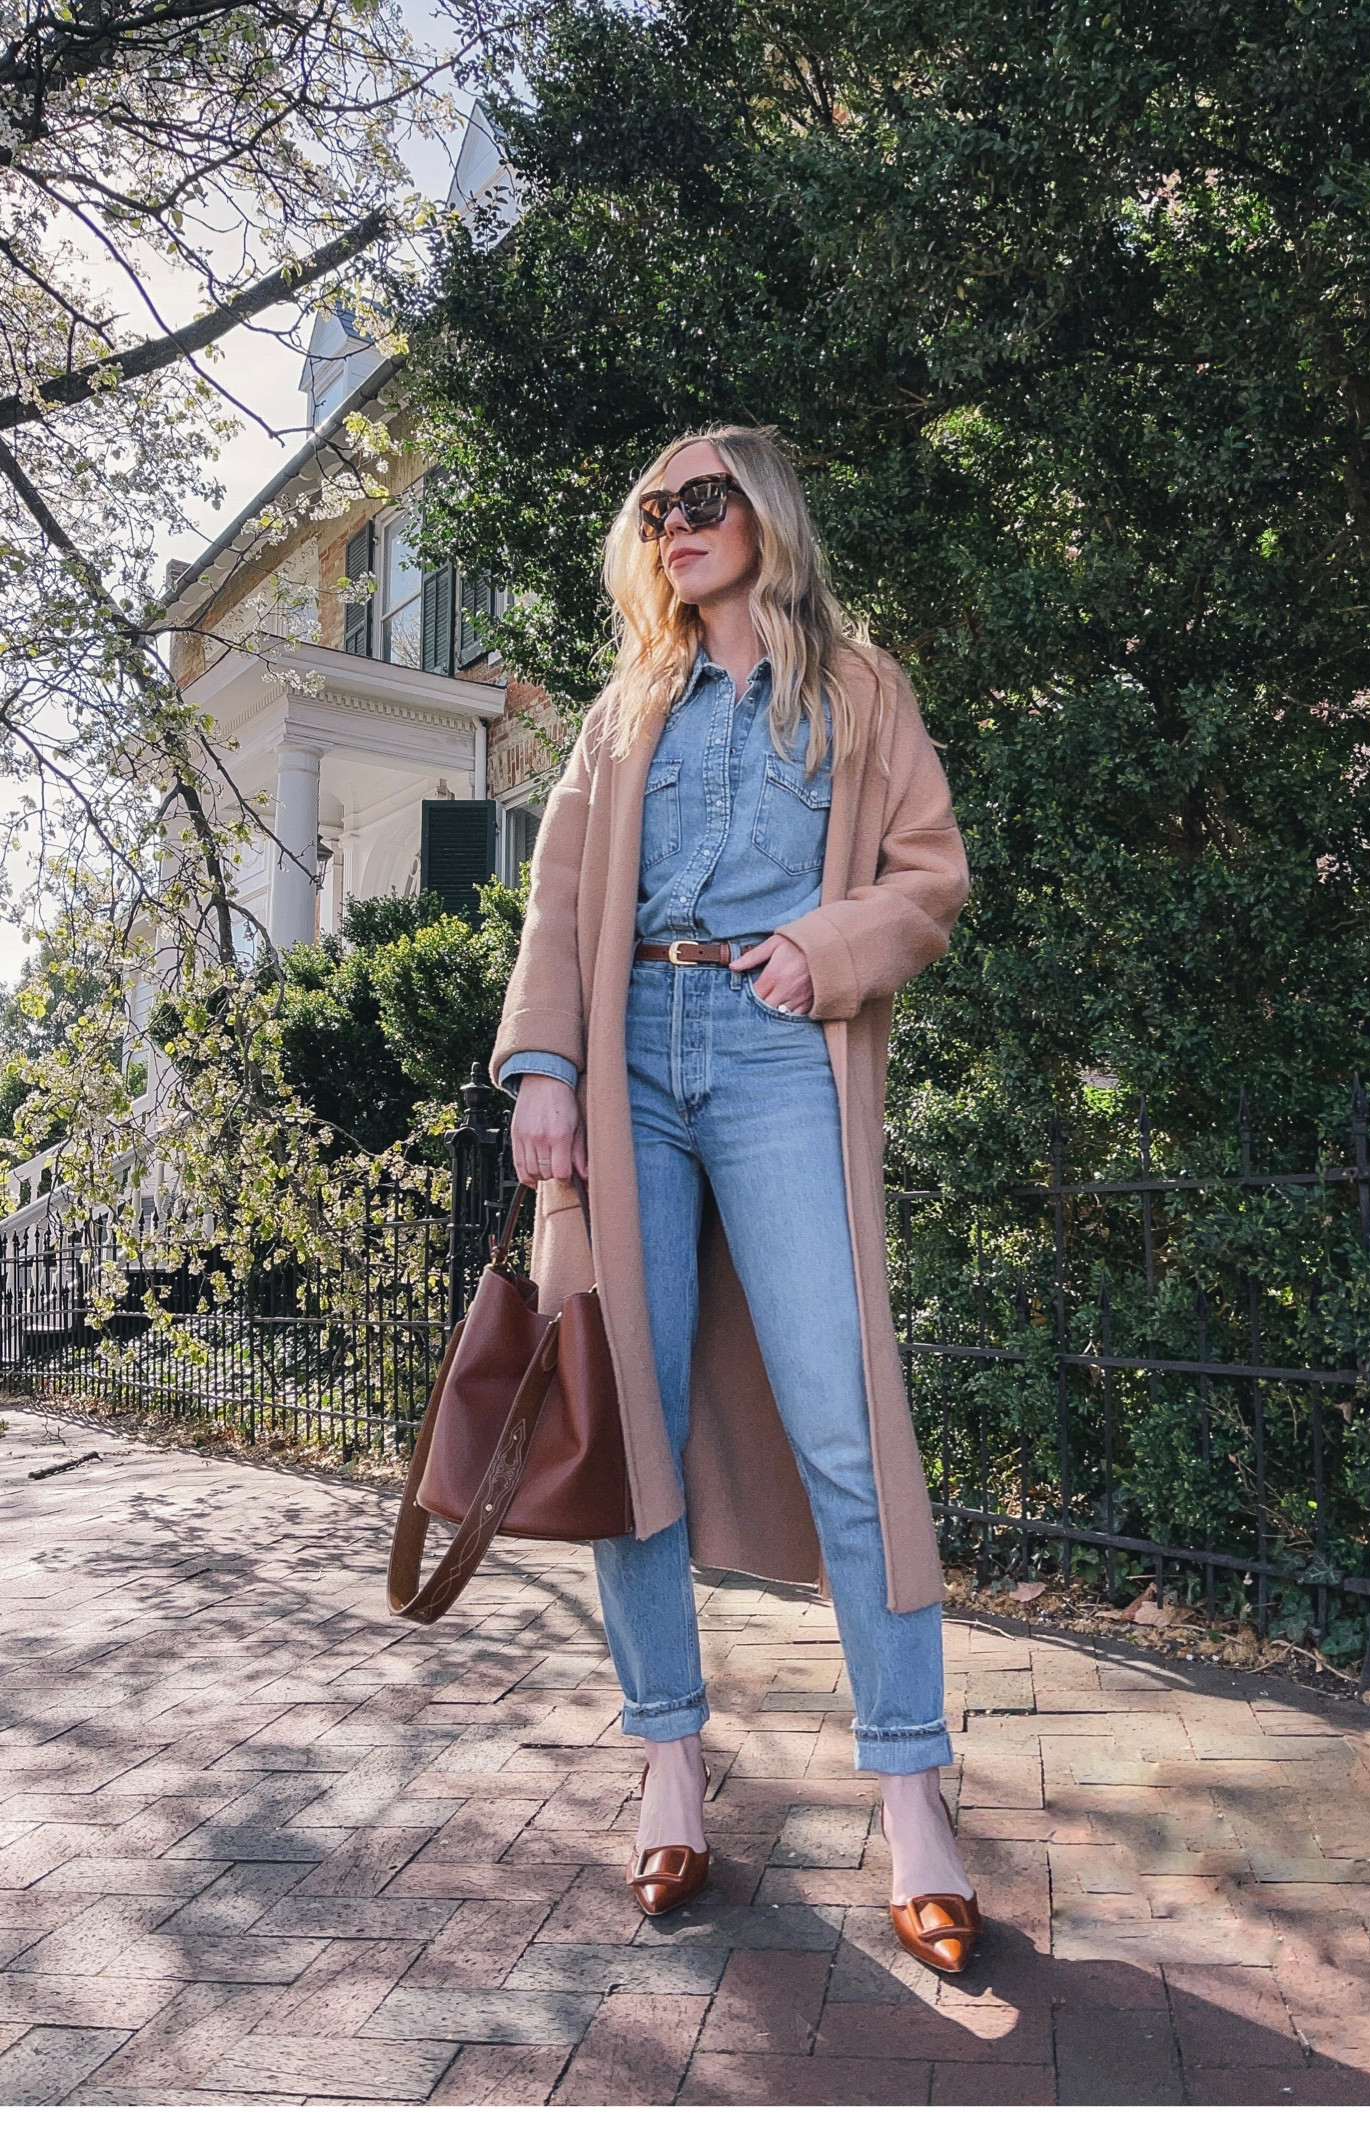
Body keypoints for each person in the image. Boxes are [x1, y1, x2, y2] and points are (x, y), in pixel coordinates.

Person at [491, 424, 980, 1974]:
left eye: (702, 500)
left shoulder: (859, 688)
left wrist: (824, 952)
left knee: (844, 1416)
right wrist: (543, 1066)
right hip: (627, 1054)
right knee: (622, 1415)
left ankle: (911, 1794)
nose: (676, 525)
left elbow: (926, 877)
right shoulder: (624, 705)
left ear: (762, 513)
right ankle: (669, 1766)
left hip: (778, 1053)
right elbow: (561, 898)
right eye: (654, 509)